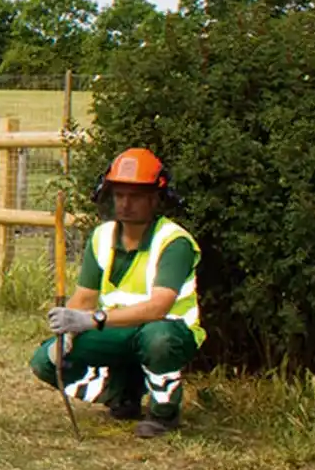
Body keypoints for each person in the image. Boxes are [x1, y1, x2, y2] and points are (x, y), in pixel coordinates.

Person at [30, 148, 204, 439]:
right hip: (117, 330)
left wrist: (92, 320)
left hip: (169, 330)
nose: (125, 203)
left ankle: (164, 413)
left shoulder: (174, 241)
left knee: (156, 339)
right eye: (119, 195)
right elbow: (84, 298)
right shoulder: (102, 236)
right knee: (46, 361)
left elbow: (158, 308)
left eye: (135, 196)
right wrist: (68, 331)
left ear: (155, 198)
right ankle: (122, 393)